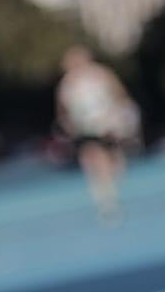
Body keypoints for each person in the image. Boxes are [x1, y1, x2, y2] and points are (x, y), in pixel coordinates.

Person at [55, 46, 139, 221]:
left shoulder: (101, 75)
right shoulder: (66, 84)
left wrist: (121, 115)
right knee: (91, 159)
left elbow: (119, 94)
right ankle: (105, 200)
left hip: (106, 124)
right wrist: (68, 125)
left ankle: (111, 185)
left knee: (113, 162)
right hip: (84, 128)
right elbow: (62, 110)